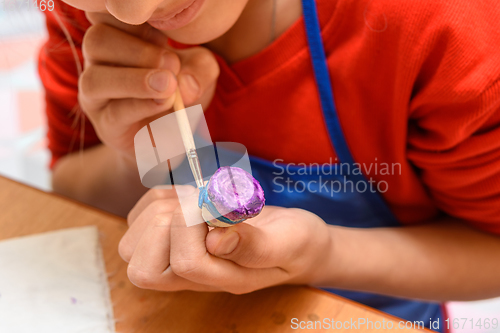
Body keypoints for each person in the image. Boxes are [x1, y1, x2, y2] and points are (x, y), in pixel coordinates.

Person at [38, 0, 500, 331]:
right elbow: (73, 191)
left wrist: (324, 255)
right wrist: (135, 155)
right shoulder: (86, 17)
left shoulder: (438, 26)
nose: (136, 12)